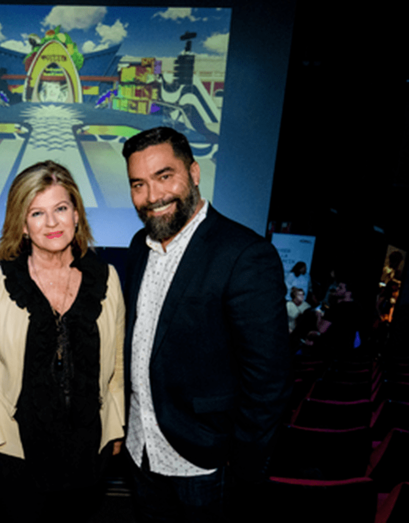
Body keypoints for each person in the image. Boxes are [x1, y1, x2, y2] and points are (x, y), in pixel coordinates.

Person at [121, 127, 291, 521]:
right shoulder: (138, 247)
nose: (152, 196)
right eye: (138, 184)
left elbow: (269, 381)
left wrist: (242, 464)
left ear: (194, 173)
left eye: (165, 176)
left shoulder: (245, 254)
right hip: (140, 451)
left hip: (204, 463)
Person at [0, 161, 125, 522]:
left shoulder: (107, 278)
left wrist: (116, 428)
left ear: (76, 214)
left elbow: (116, 366)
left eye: (60, 208)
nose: (52, 223)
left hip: (88, 449)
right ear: (22, 224)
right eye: (37, 213)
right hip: (16, 453)